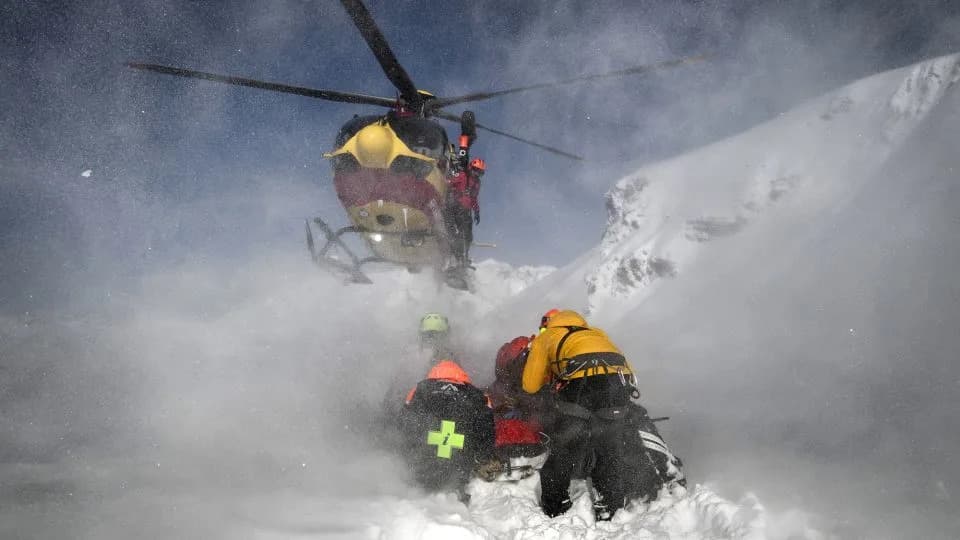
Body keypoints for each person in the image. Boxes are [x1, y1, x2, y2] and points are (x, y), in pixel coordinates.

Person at [521, 310, 657, 520]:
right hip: (616, 387)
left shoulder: (547, 336)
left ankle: (555, 506)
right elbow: (625, 367)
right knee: (608, 449)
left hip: (579, 388)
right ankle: (610, 507)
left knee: (565, 448)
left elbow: (530, 385)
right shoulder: (597, 333)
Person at [398, 359, 498, 501]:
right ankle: (456, 489)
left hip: (423, 465)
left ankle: (421, 489)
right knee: (458, 468)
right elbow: (486, 429)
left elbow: (405, 425)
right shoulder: (477, 395)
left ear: (433, 374)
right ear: (462, 375)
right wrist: (484, 456)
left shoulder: (419, 390)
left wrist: (407, 453)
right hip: (458, 467)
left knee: (424, 472)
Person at [444, 157, 483, 268]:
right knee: (457, 234)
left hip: (466, 212)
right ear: (471, 168)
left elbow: (474, 198)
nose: (477, 174)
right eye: (476, 170)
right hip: (454, 207)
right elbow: (448, 183)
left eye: (480, 172)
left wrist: (477, 212)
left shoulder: (477, 183)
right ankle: (454, 258)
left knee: (468, 236)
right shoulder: (462, 176)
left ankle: (462, 257)